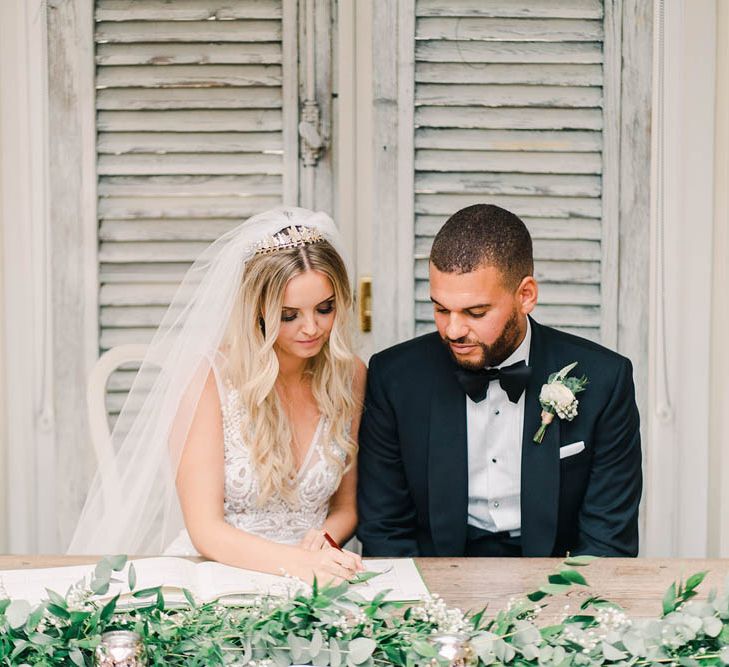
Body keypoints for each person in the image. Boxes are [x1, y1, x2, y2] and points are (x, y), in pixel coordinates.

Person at [69, 207, 366, 584]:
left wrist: (326, 537)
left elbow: (346, 505)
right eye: (289, 315)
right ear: (257, 309)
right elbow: (205, 529)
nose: (311, 328)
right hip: (217, 571)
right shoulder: (209, 379)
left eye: (325, 309)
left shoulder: (350, 374)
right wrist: (296, 564)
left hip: (316, 573)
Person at [357, 203, 642, 558]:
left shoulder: (604, 380)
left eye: (475, 312)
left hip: (556, 581)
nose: (454, 330)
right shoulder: (394, 378)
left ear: (525, 296)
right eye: (441, 309)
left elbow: (608, 539)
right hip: (433, 581)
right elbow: (385, 529)